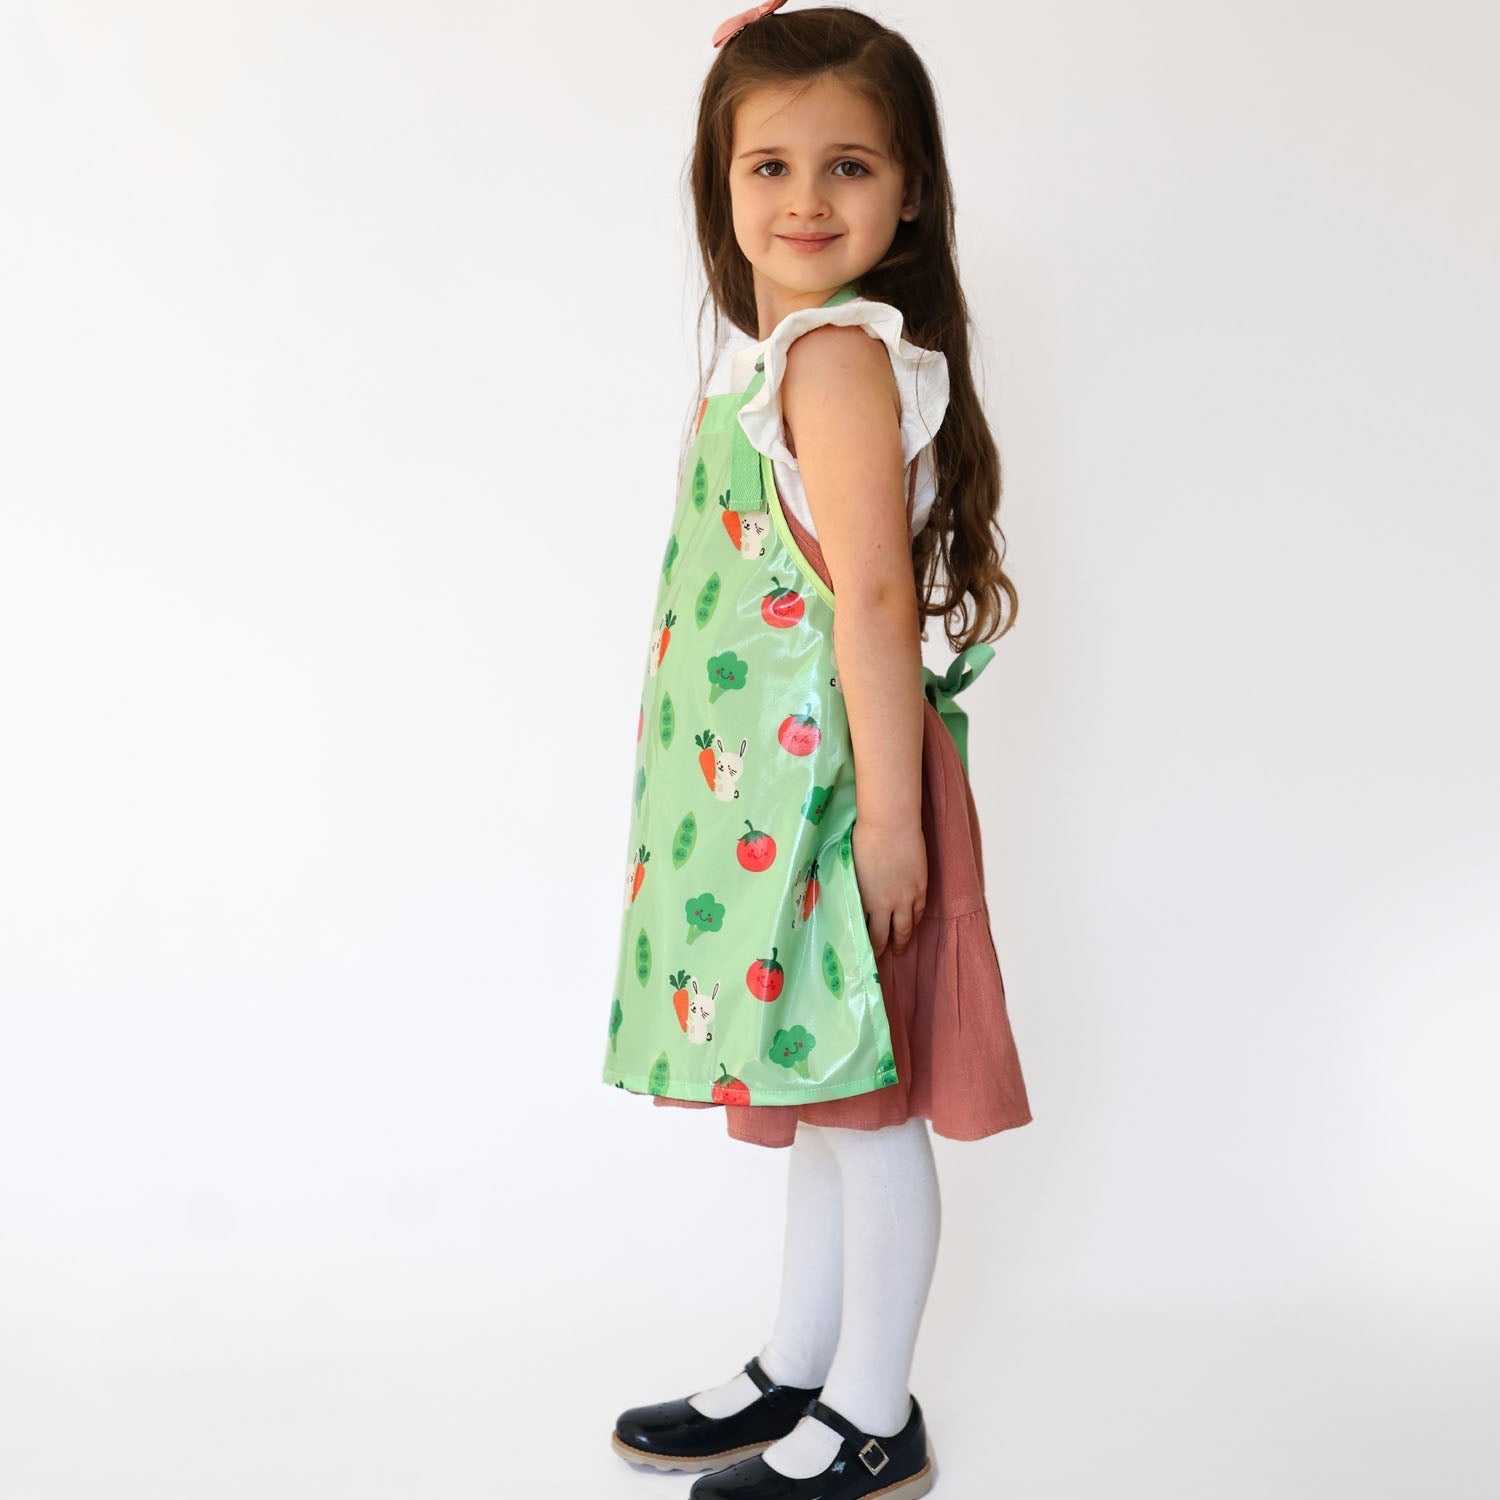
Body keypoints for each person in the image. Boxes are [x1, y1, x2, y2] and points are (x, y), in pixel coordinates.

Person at [601, 6, 1031, 1497]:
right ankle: (800, 1363)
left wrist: (893, 825)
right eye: (768, 166)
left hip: (845, 796)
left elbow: (870, 602)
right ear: (718, 186)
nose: (804, 199)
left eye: (849, 165)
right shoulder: (776, 360)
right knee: (821, 1103)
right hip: (774, 803)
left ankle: (872, 1411)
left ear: (909, 193)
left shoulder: (840, 359)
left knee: (868, 1107)